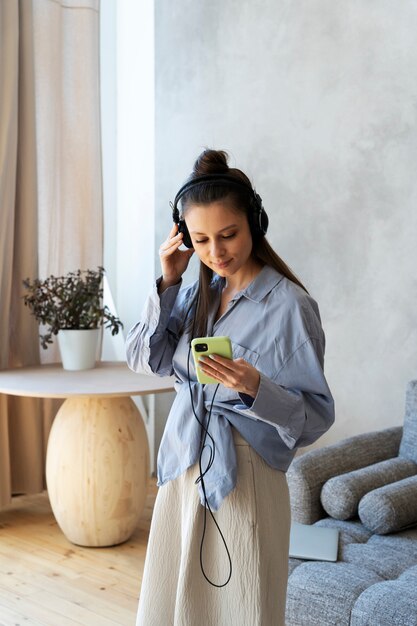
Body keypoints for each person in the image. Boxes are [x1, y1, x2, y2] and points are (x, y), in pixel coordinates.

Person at [126, 148, 335, 626]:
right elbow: (146, 360)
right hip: (183, 463)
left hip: (247, 476)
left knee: (244, 607)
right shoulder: (195, 289)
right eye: (199, 240)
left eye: (228, 235)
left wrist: (257, 388)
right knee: (174, 605)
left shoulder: (290, 307)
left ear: (254, 224)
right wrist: (168, 280)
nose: (216, 253)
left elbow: (316, 417)